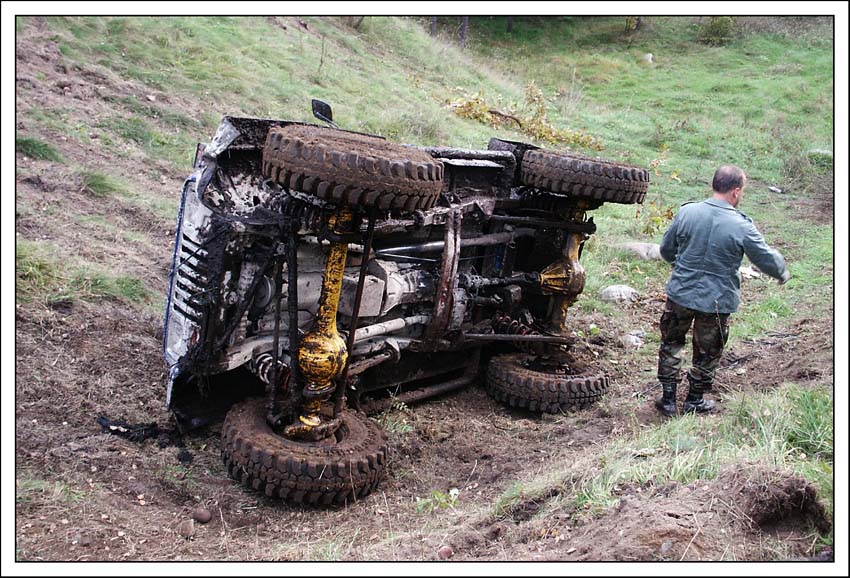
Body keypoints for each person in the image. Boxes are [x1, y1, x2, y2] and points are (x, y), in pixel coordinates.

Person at [655, 165, 790, 416]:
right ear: (736, 191)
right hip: (716, 300)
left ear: (715, 185)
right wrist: (781, 272)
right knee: (708, 351)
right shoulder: (741, 225)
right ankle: (694, 400)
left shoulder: (687, 212)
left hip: (680, 293)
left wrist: (680, 265)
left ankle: (669, 399)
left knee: (671, 343)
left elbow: (666, 249)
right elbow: (764, 257)